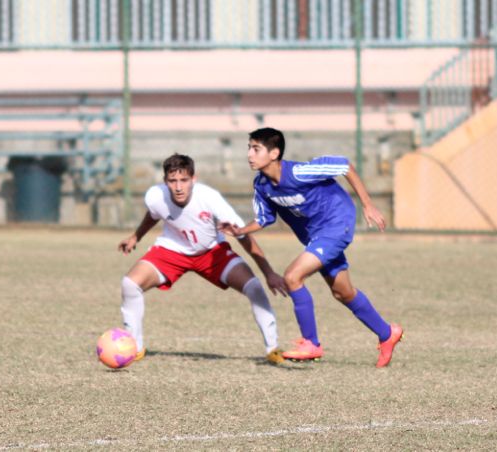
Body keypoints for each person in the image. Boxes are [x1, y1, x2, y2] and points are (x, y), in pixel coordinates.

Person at [219, 127, 403, 367]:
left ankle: (311, 342)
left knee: (292, 276)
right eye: (249, 149)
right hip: (317, 237)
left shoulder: (300, 172)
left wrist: (367, 205)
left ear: (274, 153)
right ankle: (387, 334)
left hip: (337, 225)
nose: (250, 155)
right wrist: (240, 231)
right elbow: (264, 218)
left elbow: (345, 165)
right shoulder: (262, 185)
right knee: (343, 292)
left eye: (256, 149)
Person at [118, 153, 288, 365]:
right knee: (129, 284)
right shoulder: (155, 196)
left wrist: (269, 273)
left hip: (211, 253)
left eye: (184, 180)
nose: (178, 187)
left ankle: (272, 349)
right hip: (172, 252)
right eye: (172, 181)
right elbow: (153, 214)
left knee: (253, 287)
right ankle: (133, 346)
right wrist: (136, 236)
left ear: (193, 179)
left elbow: (243, 235)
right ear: (165, 182)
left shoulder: (210, 198)